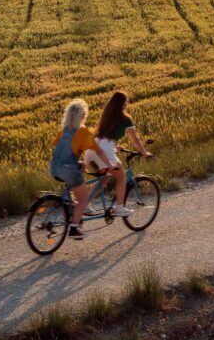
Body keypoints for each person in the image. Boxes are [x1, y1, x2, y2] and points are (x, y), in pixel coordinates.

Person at [48, 99, 116, 240]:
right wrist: (109, 164)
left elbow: (62, 153)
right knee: (84, 199)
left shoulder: (63, 131)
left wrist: (78, 162)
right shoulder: (83, 132)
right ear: (82, 116)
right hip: (68, 170)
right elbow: (98, 151)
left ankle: (71, 209)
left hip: (54, 167)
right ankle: (74, 229)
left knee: (75, 191)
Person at [84, 91, 151, 217]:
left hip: (92, 148)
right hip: (104, 151)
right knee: (121, 177)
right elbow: (135, 139)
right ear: (124, 104)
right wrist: (144, 152)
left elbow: (105, 137)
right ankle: (119, 207)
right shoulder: (125, 119)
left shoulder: (107, 114)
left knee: (103, 179)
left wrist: (114, 147)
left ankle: (84, 204)